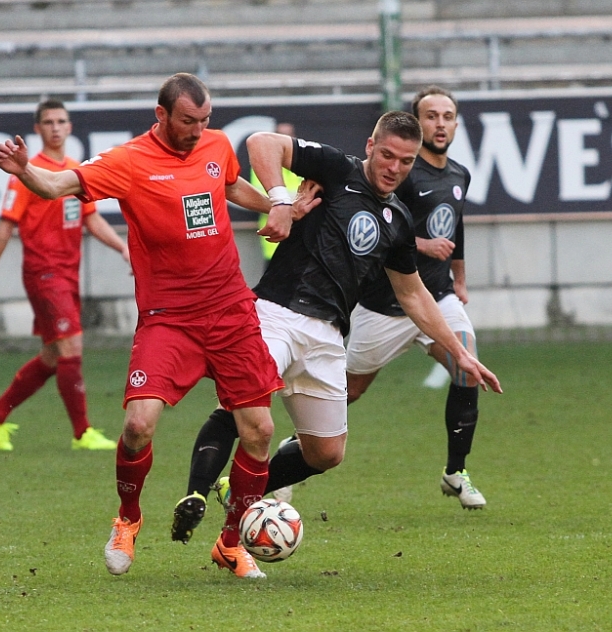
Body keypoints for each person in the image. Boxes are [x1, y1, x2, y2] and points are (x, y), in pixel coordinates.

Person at [0, 73, 310, 580]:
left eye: (204, 120)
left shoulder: (216, 145)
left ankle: (230, 544)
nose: (197, 130)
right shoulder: (128, 161)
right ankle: (128, 520)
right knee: (138, 425)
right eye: (188, 121)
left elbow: (230, 185)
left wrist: (277, 202)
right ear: (161, 115)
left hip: (230, 310)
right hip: (169, 317)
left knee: (260, 430)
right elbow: (55, 186)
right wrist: (26, 170)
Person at [173, 111, 502, 543]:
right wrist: (280, 201)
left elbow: (412, 294)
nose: (394, 168)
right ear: (370, 146)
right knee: (247, 401)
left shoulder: (398, 219)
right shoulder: (336, 168)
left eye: (406, 161)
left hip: (329, 333)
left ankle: (238, 494)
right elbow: (261, 143)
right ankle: (195, 496)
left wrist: (459, 353)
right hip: (277, 313)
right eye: (387, 155)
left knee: (326, 452)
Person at [346, 86, 489, 509]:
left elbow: (455, 229)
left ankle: (456, 472)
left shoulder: (459, 174)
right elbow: (381, 224)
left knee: (467, 368)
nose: (440, 124)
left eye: (447, 116)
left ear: (456, 124)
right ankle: (296, 450)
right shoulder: (403, 172)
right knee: (346, 393)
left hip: (437, 297)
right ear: (417, 123)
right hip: (386, 304)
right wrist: (423, 245)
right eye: (431, 116)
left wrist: (459, 280)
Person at [0, 99, 129, 453]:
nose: (55, 127)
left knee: (52, 357)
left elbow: (91, 218)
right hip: (43, 273)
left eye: (61, 121)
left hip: (68, 274)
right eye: (48, 122)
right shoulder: (26, 172)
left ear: (69, 127)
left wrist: (122, 247)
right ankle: (82, 433)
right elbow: (4, 227)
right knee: (71, 346)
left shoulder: (74, 171)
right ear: (38, 128)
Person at [251, 122, 304, 267]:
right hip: (274, 239)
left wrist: (283, 198)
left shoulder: (303, 163)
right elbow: (260, 195)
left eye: (288, 136)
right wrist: (296, 199)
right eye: (280, 136)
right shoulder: (262, 163)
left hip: (302, 237)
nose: (284, 140)